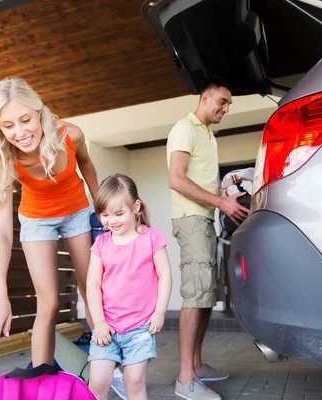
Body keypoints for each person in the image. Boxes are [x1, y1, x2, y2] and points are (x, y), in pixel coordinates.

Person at [0, 76, 100, 368]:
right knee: (49, 304)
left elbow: (87, 165)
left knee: (90, 288)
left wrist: (102, 205)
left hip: (76, 210)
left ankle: (105, 363)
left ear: (39, 111)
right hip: (36, 219)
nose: (20, 132)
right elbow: (2, 233)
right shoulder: (2, 158)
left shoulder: (71, 135)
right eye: (8, 126)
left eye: (25, 119)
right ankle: (41, 379)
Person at [167, 77, 249, 400]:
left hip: (205, 220)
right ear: (205, 97)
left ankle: (197, 366)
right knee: (194, 296)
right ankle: (185, 379)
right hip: (190, 220)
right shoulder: (184, 128)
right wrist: (220, 203)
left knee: (205, 295)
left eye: (229, 104)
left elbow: (202, 182)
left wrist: (223, 192)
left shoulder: (208, 137)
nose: (226, 108)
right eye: (223, 101)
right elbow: (175, 179)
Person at [86, 174, 172, 400]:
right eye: (104, 215)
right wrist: (99, 322)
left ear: (136, 207)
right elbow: (93, 285)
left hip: (140, 327)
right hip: (108, 327)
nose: (111, 221)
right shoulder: (101, 244)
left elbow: (165, 275)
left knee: (133, 381)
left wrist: (160, 311)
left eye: (118, 214)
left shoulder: (151, 238)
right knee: (97, 382)